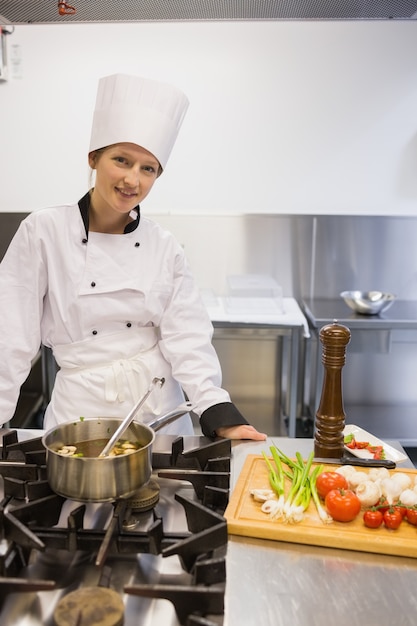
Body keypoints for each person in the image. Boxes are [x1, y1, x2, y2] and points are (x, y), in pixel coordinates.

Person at [0, 73, 266, 442]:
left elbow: (187, 337)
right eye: (121, 160)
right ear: (94, 158)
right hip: (80, 415)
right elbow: (9, 333)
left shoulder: (163, 245)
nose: (132, 180)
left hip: (159, 414)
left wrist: (218, 412)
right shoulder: (43, 231)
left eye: (148, 168)